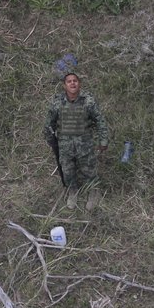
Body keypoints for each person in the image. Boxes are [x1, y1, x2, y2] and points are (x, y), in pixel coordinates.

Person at [43, 72, 109, 210]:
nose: (72, 83)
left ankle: (93, 191)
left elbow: (100, 121)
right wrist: (50, 140)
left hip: (85, 144)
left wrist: (103, 140)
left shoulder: (88, 101)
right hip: (65, 145)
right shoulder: (57, 102)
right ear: (64, 85)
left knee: (89, 170)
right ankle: (72, 192)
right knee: (68, 171)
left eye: (75, 81)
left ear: (79, 84)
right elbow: (49, 124)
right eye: (69, 81)